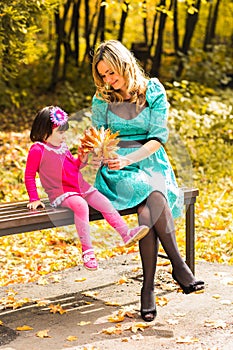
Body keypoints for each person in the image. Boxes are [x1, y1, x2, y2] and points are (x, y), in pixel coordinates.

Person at [90, 40, 204, 321]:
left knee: (150, 203)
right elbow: (97, 139)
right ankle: (179, 266)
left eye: (112, 73)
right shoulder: (102, 99)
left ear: (125, 64)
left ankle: (148, 288)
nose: (108, 80)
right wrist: (99, 152)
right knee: (151, 192)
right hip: (118, 171)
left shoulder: (152, 90)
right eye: (103, 75)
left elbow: (158, 138)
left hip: (151, 160)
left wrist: (132, 158)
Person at [24, 105, 149, 271]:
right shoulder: (38, 150)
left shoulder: (63, 147)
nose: (64, 135)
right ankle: (87, 251)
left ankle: (126, 234)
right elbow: (29, 175)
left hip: (80, 186)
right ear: (45, 131)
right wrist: (34, 199)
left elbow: (74, 167)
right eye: (60, 132)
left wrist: (81, 158)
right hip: (62, 192)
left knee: (104, 203)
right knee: (81, 206)